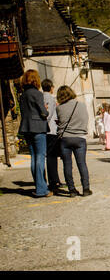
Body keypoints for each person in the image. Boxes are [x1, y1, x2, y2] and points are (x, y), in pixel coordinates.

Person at [18, 70, 52, 198]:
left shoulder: (23, 95)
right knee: (40, 157)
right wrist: (46, 109)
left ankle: (39, 186)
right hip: (38, 127)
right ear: (35, 79)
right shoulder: (37, 94)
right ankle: (42, 189)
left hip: (27, 128)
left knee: (33, 158)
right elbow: (44, 113)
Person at [56, 86, 92, 197]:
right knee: (82, 164)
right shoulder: (81, 105)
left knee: (67, 165)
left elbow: (61, 122)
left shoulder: (59, 108)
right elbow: (85, 119)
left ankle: (71, 190)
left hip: (65, 138)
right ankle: (86, 189)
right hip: (80, 137)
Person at [41, 79, 63, 192]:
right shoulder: (49, 97)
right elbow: (48, 114)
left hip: (48, 130)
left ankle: (54, 179)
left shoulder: (43, 96)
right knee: (52, 157)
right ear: (51, 87)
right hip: (51, 130)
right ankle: (54, 181)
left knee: (51, 156)